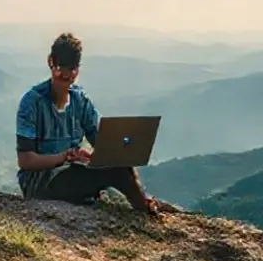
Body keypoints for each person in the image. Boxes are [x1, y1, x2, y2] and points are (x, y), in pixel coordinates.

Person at [15, 33, 174, 215]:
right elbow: (25, 160)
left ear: (78, 69)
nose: (66, 75)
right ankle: (144, 209)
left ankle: (143, 206)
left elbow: (104, 144)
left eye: (72, 69)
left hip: (70, 172)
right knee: (111, 172)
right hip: (40, 181)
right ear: (50, 62)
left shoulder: (79, 101)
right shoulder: (32, 103)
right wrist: (63, 157)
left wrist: (103, 154)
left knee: (121, 165)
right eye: (60, 68)